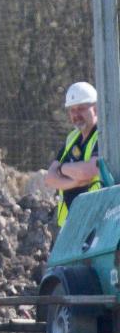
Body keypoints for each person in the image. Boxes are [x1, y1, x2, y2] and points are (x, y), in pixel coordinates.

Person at [44, 81, 100, 228]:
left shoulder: (103, 135)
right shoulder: (72, 138)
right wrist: (73, 181)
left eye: (81, 108)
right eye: (72, 110)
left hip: (95, 221)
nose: (76, 115)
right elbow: (50, 178)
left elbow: (88, 171)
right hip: (70, 226)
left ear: (95, 108)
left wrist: (62, 170)